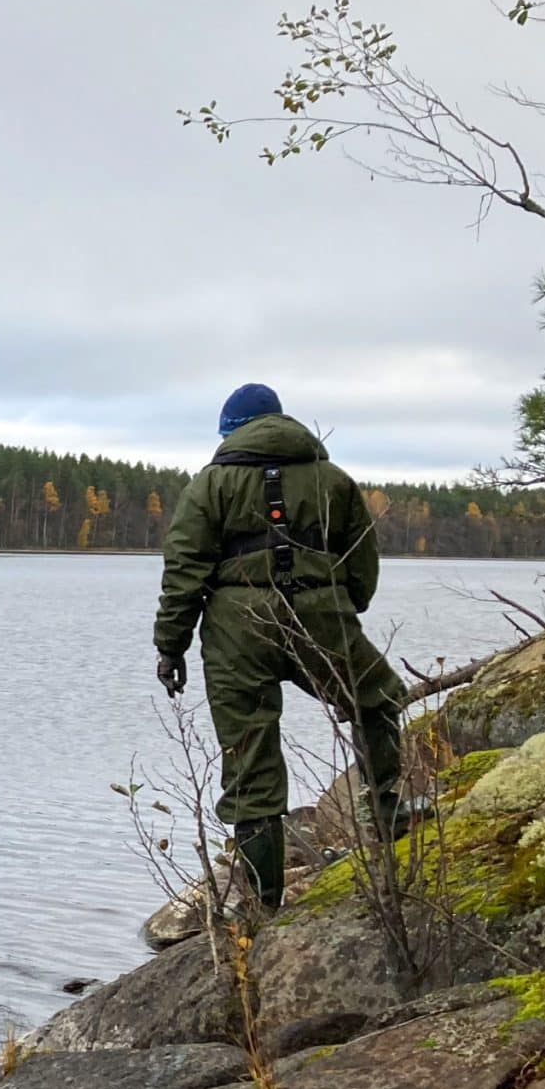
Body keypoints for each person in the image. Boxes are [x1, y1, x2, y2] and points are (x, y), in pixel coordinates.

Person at [153, 384, 407, 910]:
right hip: (319, 614)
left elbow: (183, 571)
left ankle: (265, 904)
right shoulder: (331, 479)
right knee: (377, 701)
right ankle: (385, 819)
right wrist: (341, 605)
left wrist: (171, 646)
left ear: (231, 430)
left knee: (249, 762)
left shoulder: (209, 484)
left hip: (234, 628)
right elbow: (362, 560)